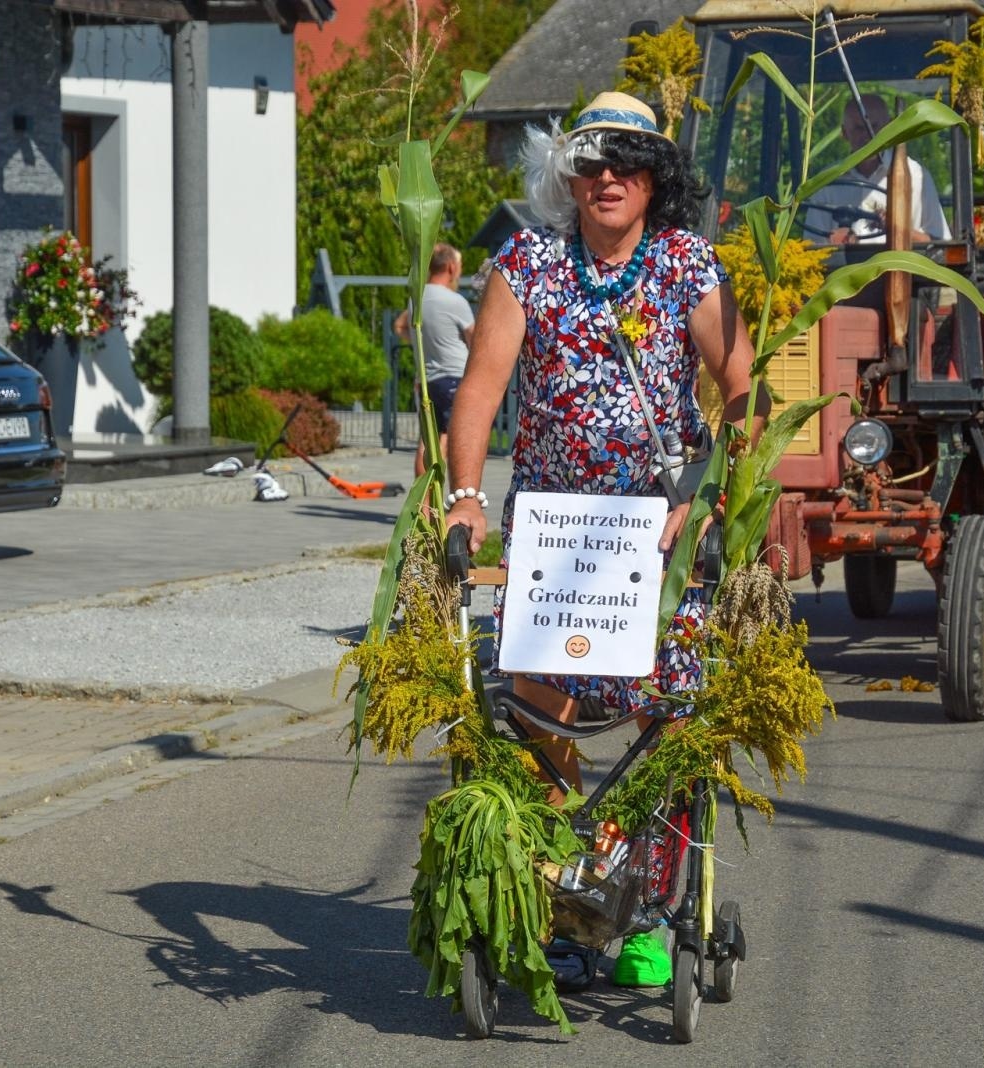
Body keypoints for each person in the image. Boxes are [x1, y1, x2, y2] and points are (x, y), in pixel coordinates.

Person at [444, 90, 768, 989]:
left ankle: (647, 913)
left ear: (655, 177)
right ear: (571, 175)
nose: (608, 178)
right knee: (539, 716)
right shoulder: (529, 263)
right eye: (592, 162)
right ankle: (567, 892)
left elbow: (745, 395)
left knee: (663, 712)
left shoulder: (684, 266)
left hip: (653, 537)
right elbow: (479, 390)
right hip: (553, 535)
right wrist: (466, 498)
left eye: (628, 162)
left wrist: (704, 503)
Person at [806, 93, 952, 245]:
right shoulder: (827, 181)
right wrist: (832, 242)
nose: (867, 135)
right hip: (843, 268)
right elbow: (811, 246)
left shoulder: (915, 176)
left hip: (902, 267)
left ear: (889, 127)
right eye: (858, 128)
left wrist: (897, 229)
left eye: (874, 126)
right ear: (844, 133)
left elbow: (940, 244)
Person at [393, 243, 475, 477]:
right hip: (453, 377)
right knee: (450, 440)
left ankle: (424, 502)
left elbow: (400, 326)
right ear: (450, 267)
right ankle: (446, 498)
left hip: (426, 379)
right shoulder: (455, 301)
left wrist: (426, 341)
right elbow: (475, 340)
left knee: (427, 441)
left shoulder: (416, 299)